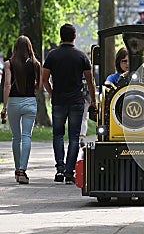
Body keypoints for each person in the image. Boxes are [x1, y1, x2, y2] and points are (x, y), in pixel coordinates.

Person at [42, 23, 96, 184]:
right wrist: (93, 100)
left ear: (60, 36)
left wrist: (52, 93)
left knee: (57, 135)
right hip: (76, 101)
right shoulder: (81, 56)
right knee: (74, 137)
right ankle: (69, 171)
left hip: (58, 100)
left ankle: (59, 168)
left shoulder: (52, 56)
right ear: (74, 36)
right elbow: (90, 80)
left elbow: (44, 79)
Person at [1, 35, 41, 184]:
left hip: (13, 102)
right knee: (26, 136)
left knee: (16, 137)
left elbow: (7, 85)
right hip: (30, 102)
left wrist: (4, 106)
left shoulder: (9, 63)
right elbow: (38, 87)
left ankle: (17, 169)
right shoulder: (36, 64)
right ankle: (23, 169)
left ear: (15, 48)